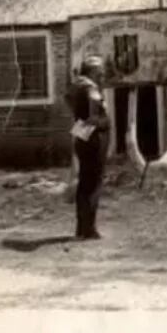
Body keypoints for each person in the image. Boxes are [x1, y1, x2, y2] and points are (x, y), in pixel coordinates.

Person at [65, 55, 110, 240]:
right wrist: (102, 122)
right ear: (92, 71)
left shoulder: (75, 86)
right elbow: (93, 114)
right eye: (99, 72)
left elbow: (68, 102)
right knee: (94, 183)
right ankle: (89, 229)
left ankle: (81, 228)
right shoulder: (90, 88)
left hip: (81, 135)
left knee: (84, 183)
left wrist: (81, 122)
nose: (102, 75)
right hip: (94, 138)